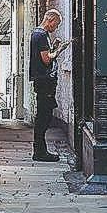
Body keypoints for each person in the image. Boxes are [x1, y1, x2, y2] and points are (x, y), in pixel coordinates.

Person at [28, 9, 68, 162]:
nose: (56, 28)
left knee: (43, 115)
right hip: (45, 81)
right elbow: (46, 59)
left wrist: (53, 46)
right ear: (50, 20)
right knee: (44, 117)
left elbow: (43, 54)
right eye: (56, 25)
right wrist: (59, 50)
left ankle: (40, 150)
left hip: (41, 80)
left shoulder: (37, 33)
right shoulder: (41, 35)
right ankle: (39, 152)